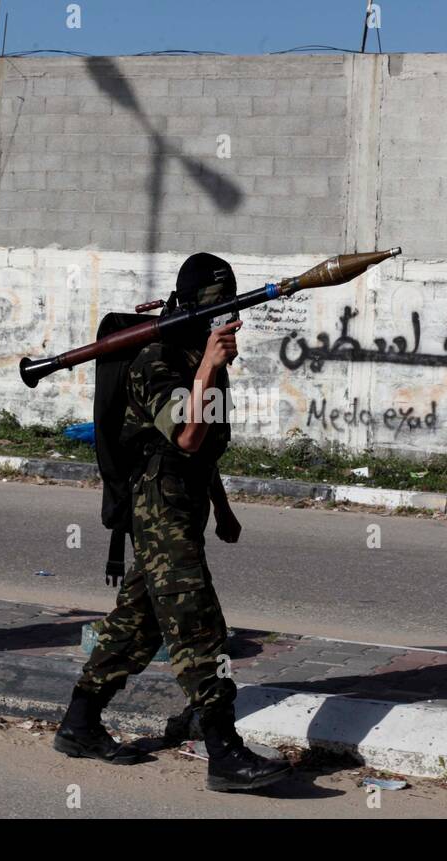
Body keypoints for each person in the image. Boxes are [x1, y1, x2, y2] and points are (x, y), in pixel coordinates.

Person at [53, 253, 292, 792]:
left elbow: (203, 451)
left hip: (186, 503)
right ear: (189, 309)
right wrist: (208, 365)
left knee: (137, 622)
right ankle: (224, 751)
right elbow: (184, 436)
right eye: (215, 311)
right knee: (196, 620)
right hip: (158, 508)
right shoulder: (157, 362)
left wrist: (223, 508)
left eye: (229, 311)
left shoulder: (200, 360)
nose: (224, 322)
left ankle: (79, 723)